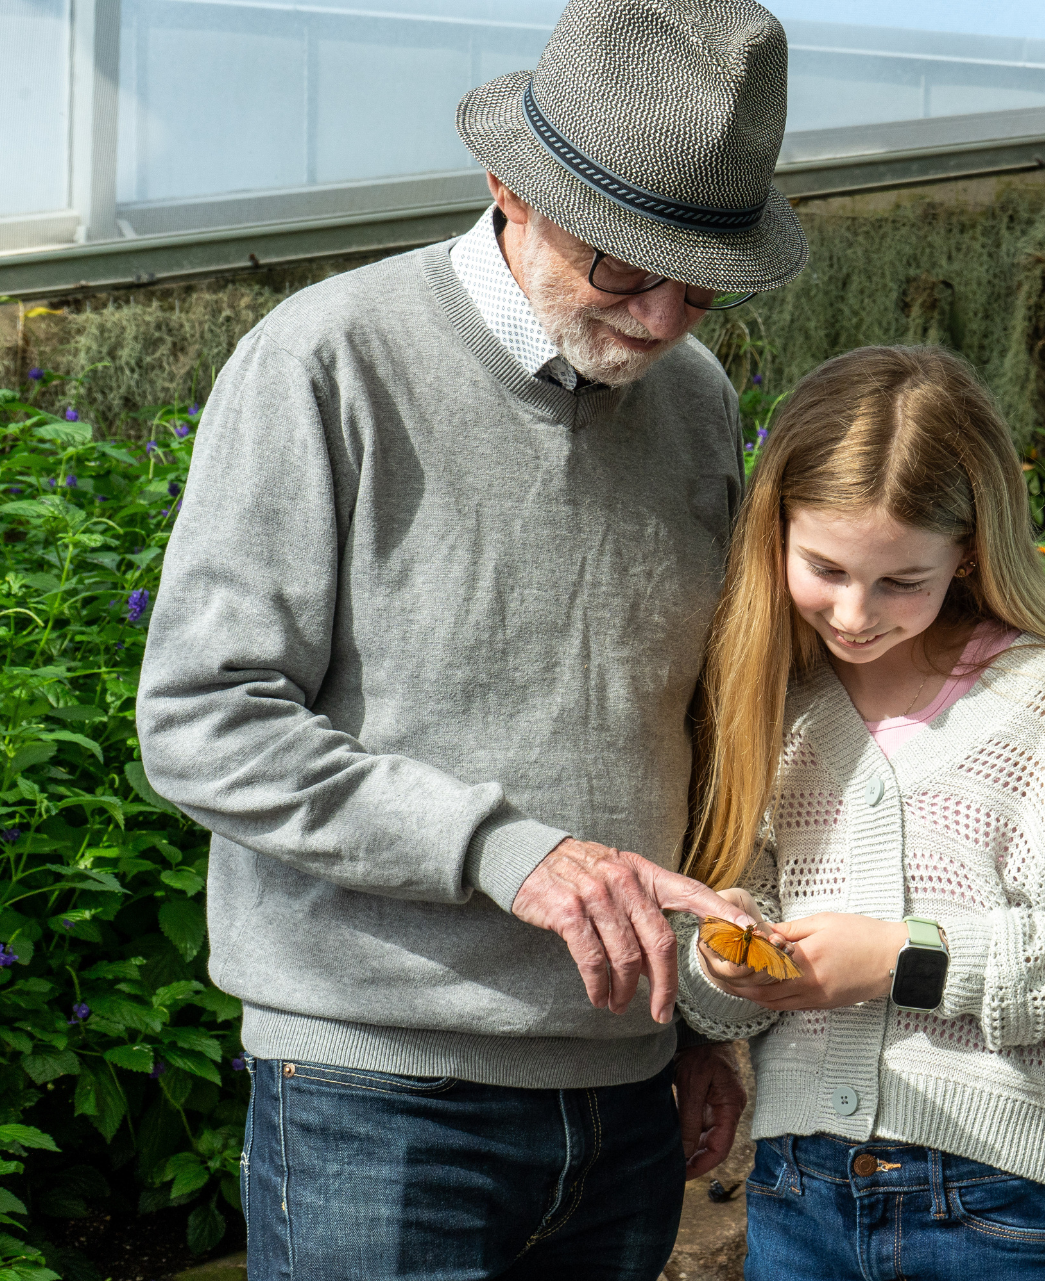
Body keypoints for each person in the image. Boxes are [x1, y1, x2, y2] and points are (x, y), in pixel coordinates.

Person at [134, 2, 807, 1276]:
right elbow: (203, 720)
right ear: (511, 188)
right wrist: (506, 850)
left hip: (628, 1095)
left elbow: (701, 722)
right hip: (376, 1096)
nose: (666, 318)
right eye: (627, 268)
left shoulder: (697, 402)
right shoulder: (326, 362)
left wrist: (705, 1025)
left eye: (703, 281)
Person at [672, 346, 1045, 1281]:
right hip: (797, 1191)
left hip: (992, 1202)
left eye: (901, 580)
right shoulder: (771, 709)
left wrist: (902, 958)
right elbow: (712, 1001)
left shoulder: (1039, 698)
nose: (854, 612)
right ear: (775, 532)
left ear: (969, 552)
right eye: (824, 567)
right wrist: (721, 960)